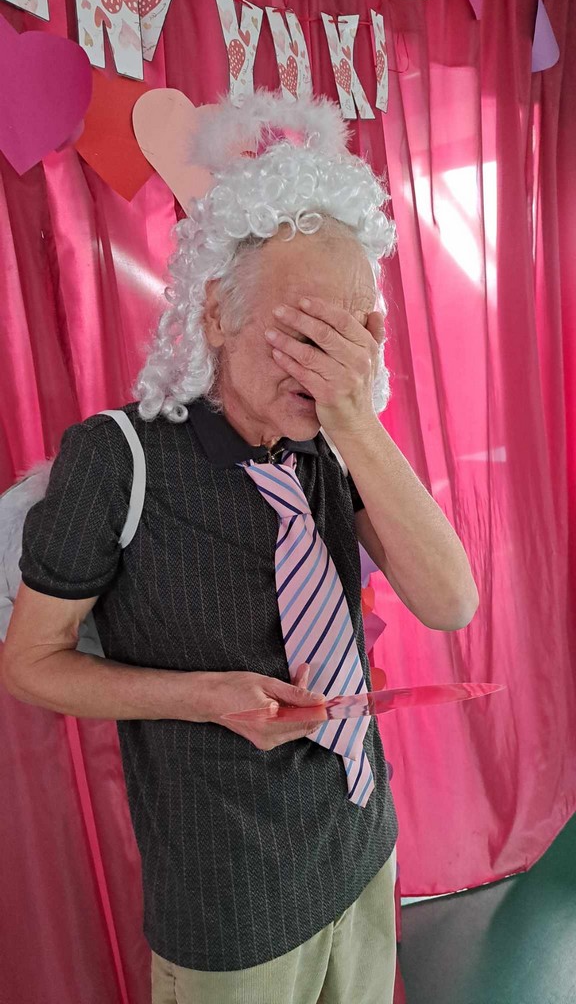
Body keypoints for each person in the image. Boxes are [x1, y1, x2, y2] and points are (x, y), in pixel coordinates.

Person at [1, 91, 479, 1004]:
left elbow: (451, 601)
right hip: (229, 896)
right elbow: (29, 663)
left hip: (358, 844)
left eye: (354, 334)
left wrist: (358, 420)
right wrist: (200, 697)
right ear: (217, 313)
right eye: (304, 332)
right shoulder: (116, 458)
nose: (328, 366)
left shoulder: (334, 443)